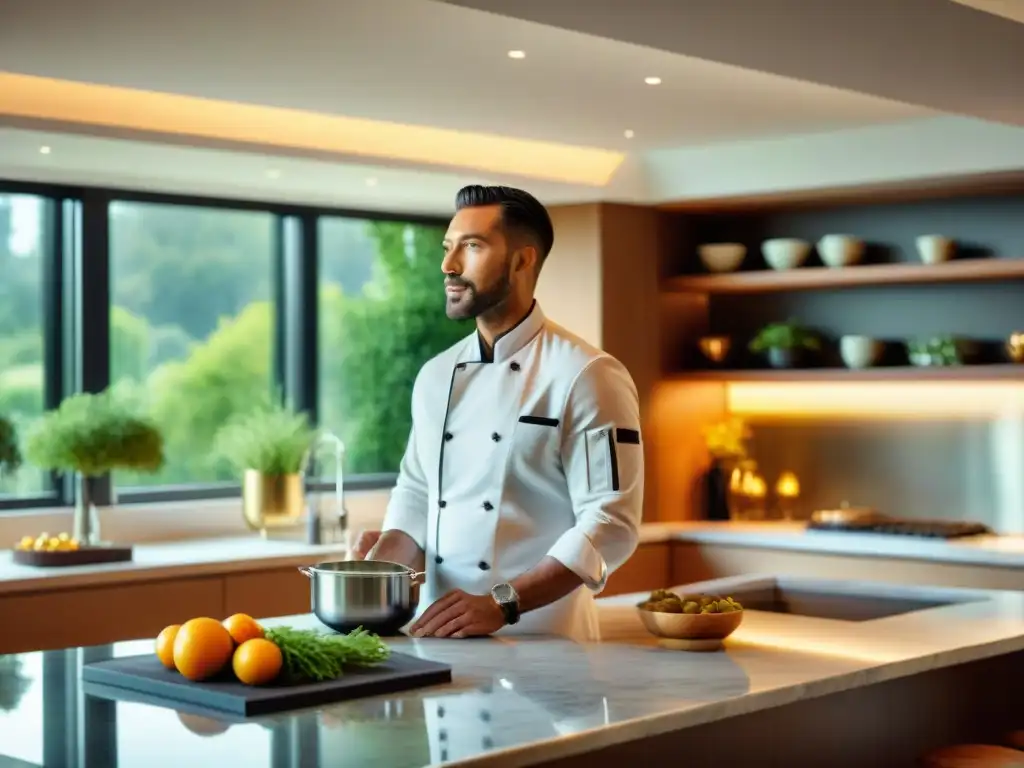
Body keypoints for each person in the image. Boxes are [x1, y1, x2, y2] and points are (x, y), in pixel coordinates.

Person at [359, 184, 644, 642]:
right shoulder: (435, 375)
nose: (448, 266)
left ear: (522, 260)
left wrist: (501, 603)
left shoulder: (588, 374)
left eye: (471, 247)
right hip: (441, 641)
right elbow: (416, 495)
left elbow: (611, 523)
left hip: (547, 649)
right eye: (448, 248)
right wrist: (373, 578)